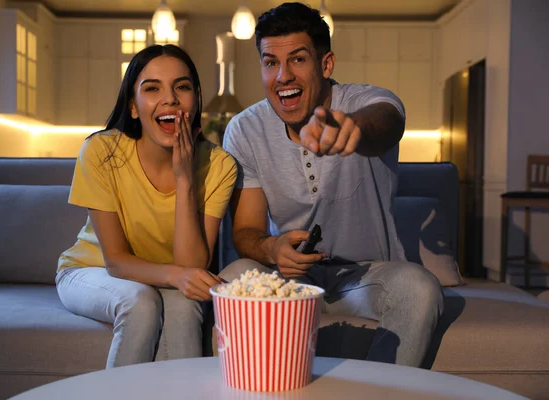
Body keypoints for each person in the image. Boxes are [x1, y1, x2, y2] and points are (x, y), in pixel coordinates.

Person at [220, 2, 444, 367]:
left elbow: (385, 121)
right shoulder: (245, 130)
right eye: (270, 62)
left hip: (365, 277)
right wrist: (273, 248)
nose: (283, 77)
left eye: (298, 60)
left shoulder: (368, 102)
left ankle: (382, 394)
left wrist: (351, 128)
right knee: (231, 277)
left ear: (326, 64)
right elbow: (246, 230)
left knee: (420, 288)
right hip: (291, 282)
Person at [56, 44, 237, 368]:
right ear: (134, 106)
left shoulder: (219, 165)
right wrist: (177, 276)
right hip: (90, 271)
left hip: (170, 278)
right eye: (152, 88)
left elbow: (192, 264)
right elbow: (115, 262)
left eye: (181, 87)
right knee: (141, 303)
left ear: (195, 100)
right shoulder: (101, 151)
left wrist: (184, 180)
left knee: (184, 306)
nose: (169, 98)